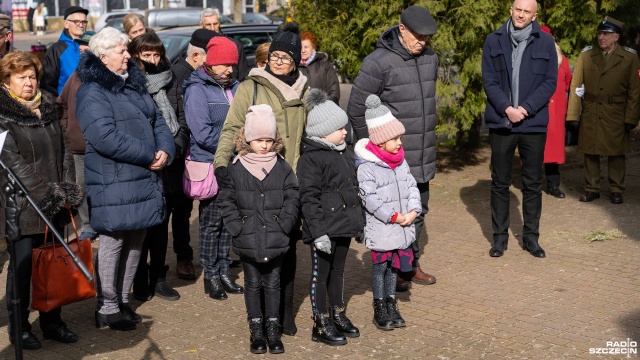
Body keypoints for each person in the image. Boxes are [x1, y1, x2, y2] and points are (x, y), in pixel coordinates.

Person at [75, 27, 175, 331]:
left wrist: (165, 149)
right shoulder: (91, 90)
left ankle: (122, 300)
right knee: (114, 240)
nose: (127, 56)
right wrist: (149, 154)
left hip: (143, 176)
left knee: (136, 239)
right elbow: (103, 136)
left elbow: (156, 118)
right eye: (121, 51)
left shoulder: (134, 83)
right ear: (103, 57)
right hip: (114, 178)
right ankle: (106, 307)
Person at [213, 22, 308, 336]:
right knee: (262, 249)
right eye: (276, 56)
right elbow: (231, 128)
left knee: (289, 245)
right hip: (256, 178)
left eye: (286, 58)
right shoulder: (251, 86)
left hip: (290, 178)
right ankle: (264, 317)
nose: (279, 62)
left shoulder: (305, 89)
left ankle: (284, 313)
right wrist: (222, 165)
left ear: (297, 61)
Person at [347, 5, 437, 289]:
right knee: (389, 216)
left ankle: (411, 265)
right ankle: (393, 270)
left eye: (427, 37)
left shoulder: (430, 58)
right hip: (389, 160)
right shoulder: (377, 62)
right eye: (417, 36)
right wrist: (375, 154)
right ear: (402, 30)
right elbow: (356, 109)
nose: (422, 42)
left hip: (420, 155)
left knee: (417, 210)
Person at [0, 51, 83, 350]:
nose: (28, 82)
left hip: (56, 203)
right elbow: (12, 161)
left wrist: (67, 189)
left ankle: (52, 321)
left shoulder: (47, 106)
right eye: (21, 77)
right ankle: (19, 328)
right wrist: (46, 195)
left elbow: (65, 151)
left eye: (32, 76)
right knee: (22, 270)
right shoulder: (2, 115)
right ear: (7, 81)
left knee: (52, 266)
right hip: (22, 207)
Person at [218, 104, 300, 354]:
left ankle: (273, 329)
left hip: (276, 237)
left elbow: (293, 195)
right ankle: (256, 330)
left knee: (273, 283)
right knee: (253, 284)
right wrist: (237, 227)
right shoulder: (237, 167)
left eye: (268, 140)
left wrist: (284, 224)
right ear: (247, 139)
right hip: (248, 238)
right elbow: (227, 199)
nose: (263, 145)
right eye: (258, 140)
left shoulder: (282, 166)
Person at [482, 0, 557, 258]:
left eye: (527, 11)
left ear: (534, 15)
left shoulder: (546, 42)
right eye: (518, 10)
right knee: (500, 183)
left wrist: (525, 109)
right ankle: (499, 239)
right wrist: (507, 108)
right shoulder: (494, 40)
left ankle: (531, 238)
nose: (521, 15)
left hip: (532, 123)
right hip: (502, 122)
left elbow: (550, 83)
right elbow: (489, 81)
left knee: (533, 183)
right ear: (511, 10)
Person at [297, 89, 364, 345]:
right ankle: (321, 322)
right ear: (324, 131)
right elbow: (308, 199)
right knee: (320, 275)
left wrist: (360, 224)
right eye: (340, 128)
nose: (345, 132)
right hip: (324, 228)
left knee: (338, 272)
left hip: (344, 225)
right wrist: (318, 232)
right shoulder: (311, 159)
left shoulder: (345, 152)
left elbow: (353, 191)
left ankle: (338, 314)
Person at [183, 36, 244, 301]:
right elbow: (201, 132)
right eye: (225, 64)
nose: (230, 69)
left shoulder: (236, 87)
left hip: (235, 163)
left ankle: (224, 270)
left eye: (233, 64)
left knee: (229, 220)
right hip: (211, 164)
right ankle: (211, 274)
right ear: (212, 63)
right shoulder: (197, 89)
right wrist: (235, 146)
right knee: (211, 222)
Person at [354, 95, 421, 331]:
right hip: (384, 226)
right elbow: (370, 199)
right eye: (395, 139)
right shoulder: (367, 167)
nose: (400, 143)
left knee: (394, 267)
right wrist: (393, 216)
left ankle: (392, 303)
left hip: (402, 224)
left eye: (400, 137)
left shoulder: (400, 161)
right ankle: (379, 306)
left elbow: (411, 185)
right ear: (381, 141)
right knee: (381, 267)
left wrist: (413, 210)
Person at [128, 33, 186, 302]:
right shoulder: (129, 82)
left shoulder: (171, 78)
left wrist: (172, 148)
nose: (152, 61)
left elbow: (181, 119)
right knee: (141, 224)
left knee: (162, 221)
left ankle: (159, 278)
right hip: (142, 161)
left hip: (169, 161)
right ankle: (139, 279)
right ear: (135, 55)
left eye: (156, 55)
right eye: (146, 55)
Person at [566, 16, 640, 204]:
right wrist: (573, 114)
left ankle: (616, 189)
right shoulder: (586, 55)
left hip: (616, 112)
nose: (601, 38)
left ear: (616, 36)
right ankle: (592, 188)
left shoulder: (630, 57)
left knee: (616, 152)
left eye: (606, 34)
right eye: (599, 33)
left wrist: (632, 117)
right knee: (590, 151)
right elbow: (576, 86)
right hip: (591, 110)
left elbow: (635, 91)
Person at [169, 28, 218, 280]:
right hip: (182, 154)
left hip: (201, 153)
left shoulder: (204, 74)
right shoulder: (178, 75)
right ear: (197, 56)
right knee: (182, 209)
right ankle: (183, 258)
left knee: (206, 208)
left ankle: (214, 255)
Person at [57, 30, 96, 243]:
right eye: (80, 51)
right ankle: (88, 225)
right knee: (81, 186)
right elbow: (61, 104)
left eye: (87, 50)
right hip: (79, 146)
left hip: (101, 145)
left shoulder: (106, 77)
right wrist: (67, 127)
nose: (83, 54)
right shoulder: (75, 76)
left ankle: (100, 222)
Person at [540, 25, 571, 199]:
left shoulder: (561, 59)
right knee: (534, 149)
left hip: (556, 112)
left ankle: (553, 185)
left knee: (553, 151)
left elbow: (567, 81)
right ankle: (532, 184)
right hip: (536, 110)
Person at [41, 6, 88, 96]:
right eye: (76, 21)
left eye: (84, 22)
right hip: (65, 106)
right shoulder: (56, 50)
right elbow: (48, 85)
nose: (81, 25)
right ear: (66, 24)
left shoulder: (92, 46)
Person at [200, 8, 249, 81]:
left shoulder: (234, 45)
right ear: (202, 25)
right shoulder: (198, 46)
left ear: (219, 23)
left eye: (215, 24)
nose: (213, 28)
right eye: (208, 25)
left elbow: (243, 74)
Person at [299, 31, 340, 103]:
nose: (303, 50)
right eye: (300, 47)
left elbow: (334, 93)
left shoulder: (326, 66)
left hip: (323, 111)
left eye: (306, 47)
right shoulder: (293, 67)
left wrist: (322, 108)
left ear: (313, 48)